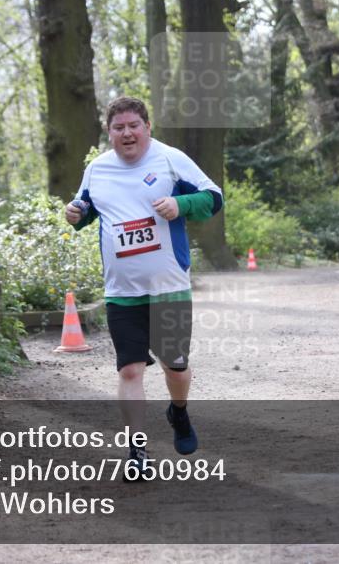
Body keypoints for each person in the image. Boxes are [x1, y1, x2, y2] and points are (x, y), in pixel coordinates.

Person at [64, 96, 222, 481]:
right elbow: (85, 208)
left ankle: (179, 412)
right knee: (131, 370)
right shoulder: (97, 169)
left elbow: (213, 198)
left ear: (147, 127)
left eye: (134, 125)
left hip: (168, 287)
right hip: (121, 291)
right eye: (119, 128)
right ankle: (137, 452)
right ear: (109, 133)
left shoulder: (170, 159)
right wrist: (75, 214)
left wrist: (181, 204)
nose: (127, 133)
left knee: (176, 365)